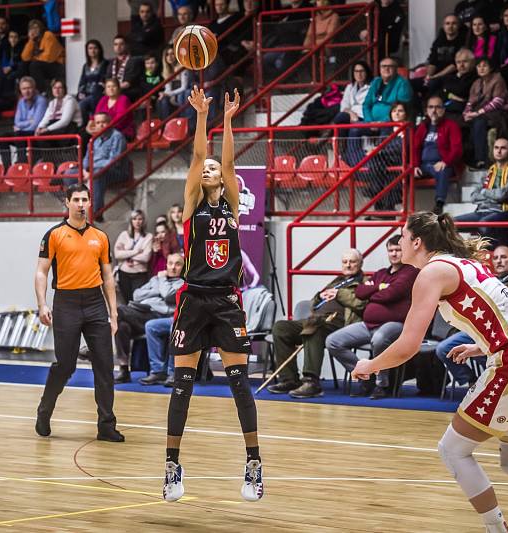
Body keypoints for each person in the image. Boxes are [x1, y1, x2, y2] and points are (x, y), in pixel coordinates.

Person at [352, 211, 508, 533]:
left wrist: (370, 364)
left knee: (452, 450)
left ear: (417, 241)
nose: (399, 241)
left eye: (403, 236)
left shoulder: (432, 273)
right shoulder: (467, 263)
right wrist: (483, 344)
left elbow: (408, 345)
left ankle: (497, 530)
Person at [162, 86, 264, 503]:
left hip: (226, 300)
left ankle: (254, 465)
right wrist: (201, 116)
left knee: (239, 384)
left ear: (222, 178)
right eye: (202, 168)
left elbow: (226, 159)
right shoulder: (191, 206)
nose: (207, 169)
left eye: (212, 169)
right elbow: (197, 156)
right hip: (193, 301)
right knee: (182, 384)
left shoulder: (233, 207)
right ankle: (171, 468)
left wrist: (228, 118)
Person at [34, 183, 124, 443]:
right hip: (66, 303)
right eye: (76, 199)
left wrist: (113, 314)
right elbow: (41, 271)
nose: (81, 204)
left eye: (85, 199)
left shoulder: (100, 236)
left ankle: (106, 425)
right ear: (67, 202)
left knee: (105, 366)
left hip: (95, 302)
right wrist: (42, 304)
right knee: (66, 365)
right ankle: (45, 410)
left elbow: (108, 277)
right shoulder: (54, 235)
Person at [325, 235, 418, 399]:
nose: (394, 254)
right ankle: (365, 375)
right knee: (333, 341)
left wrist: (373, 291)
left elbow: (392, 293)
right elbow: (360, 293)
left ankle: (381, 385)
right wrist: (381, 287)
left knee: (380, 339)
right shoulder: (381, 273)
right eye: (391, 250)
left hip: (395, 324)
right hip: (368, 324)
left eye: (398, 250)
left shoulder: (410, 272)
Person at [268, 249, 366, 398]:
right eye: (345, 262)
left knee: (314, 329)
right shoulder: (338, 281)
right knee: (281, 327)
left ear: (360, 263)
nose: (348, 265)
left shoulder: (364, 283)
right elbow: (313, 304)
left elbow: (360, 303)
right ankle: (289, 380)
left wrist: (338, 294)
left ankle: (311, 383)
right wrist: (320, 296)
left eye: (352, 262)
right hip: (316, 319)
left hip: (339, 325)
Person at [435, 244, 508, 387]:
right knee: (444, 348)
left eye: (503, 257)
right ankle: (472, 382)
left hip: (505, 330)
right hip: (480, 327)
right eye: (496, 258)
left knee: (494, 356)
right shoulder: (488, 278)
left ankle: (497, 381)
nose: (499, 261)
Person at [114, 253, 184, 384]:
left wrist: (162, 282)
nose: (173, 267)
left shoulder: (181, 283)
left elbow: (168, 295)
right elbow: (136, 295)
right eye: (170, 263)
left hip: (159, 316)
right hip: (140, 313)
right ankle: (124, 369)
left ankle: (95, 343)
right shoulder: (155, 280)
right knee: (121, 325)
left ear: (183, 267)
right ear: (166, 264)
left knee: (118, 311)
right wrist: (157, 290)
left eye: (177, 264)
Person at [455, 135, 508, 245]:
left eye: (503, 148)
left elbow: (503, 194)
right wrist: (493, 195)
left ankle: (494, 253)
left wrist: (484, 192)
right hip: (481, 211)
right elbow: (473, 196)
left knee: (485, 223)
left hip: (501, 211)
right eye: (496, 148)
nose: (499, 151)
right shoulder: (488, 172)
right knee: (449, 223)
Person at [413, 94, 463, 215]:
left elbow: (457, 149)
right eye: (431, 107)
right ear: (427, 110)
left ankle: (439, 204)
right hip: (424, 166)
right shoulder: (422, 127)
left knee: (443, 170)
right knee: (403, 171)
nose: (434, 110)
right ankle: (395, 204)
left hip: (442, 164)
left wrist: (445, 161)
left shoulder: (451, 125)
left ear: (443, 110)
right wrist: (414, 165)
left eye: (437, 107)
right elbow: (415, 148)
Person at [462, 57, 508, 169]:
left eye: (484, 66)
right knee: (463, 123)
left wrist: (477, 113)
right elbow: (470, 102)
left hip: (500, 112)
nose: (481, 68)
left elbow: (498, 101)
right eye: (479, 66)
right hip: (481, 114)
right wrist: (466, 113)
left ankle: (481, 160)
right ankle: (468, 160)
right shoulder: (476, 83)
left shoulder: (497, 79)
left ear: (490, 68)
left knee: (479, 122)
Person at [80, 112, 128, 219]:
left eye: (104, 122)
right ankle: (75, 210)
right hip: (94, 170)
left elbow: (113, 161)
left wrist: (92, 171)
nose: (100, 125)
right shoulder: (94, 138)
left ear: (110, 123)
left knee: (97, 174)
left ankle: (96, 212)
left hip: (116, 172)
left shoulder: (117, 137)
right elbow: (86, 159)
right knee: (70, 174)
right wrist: (84, 170)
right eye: (98, 123)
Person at [411, 14, 466, 99]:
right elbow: (433, 62)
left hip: (451, 75)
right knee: (411, 83)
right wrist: (428, 76)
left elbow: (454, 65)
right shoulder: (438, 41)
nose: (450, 26)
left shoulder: (462, 42)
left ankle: (429, 107)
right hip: (435, 75)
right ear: (443, 26)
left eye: (453, 23)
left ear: (458, 26)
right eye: (447, 23)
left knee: (433, 84)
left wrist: (436, 76)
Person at [0, 77, 47, 170]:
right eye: (24, 89)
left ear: (34, 88)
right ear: (20, 90)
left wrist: (21, 127)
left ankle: (21, 163)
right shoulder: (21, 101)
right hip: (22, 134)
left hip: (36, 134)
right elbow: (17, 122)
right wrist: (28, 121)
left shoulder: (41, 100)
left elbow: (35, 124)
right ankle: (7, 168)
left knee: (19, 134)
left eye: (29, 88)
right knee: (2, 137)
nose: (26, 91)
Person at [114, 209, 153, 304]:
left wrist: (126, 253)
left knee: (137, 300)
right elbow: (117, 254)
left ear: (144, 221)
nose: (137, 221)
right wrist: (136, 252)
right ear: (131, 221)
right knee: (127, 301)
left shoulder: (148, 236)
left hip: (139, 274)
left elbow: (146, 257)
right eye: (134, 219)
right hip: (124, 273)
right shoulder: (124, 235)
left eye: (140, 219)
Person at [22, 19, 66, 93]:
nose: (34, 31)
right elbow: (25, 57)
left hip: (59, 65)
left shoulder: (48, 35)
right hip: (45, 66)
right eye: (31, 29)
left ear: (41, 28)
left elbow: (48, 58)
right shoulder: (33, 41)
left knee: (34, 65)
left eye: (36, 28)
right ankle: (25, 89)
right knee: (24, 65)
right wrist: (31, 40)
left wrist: (35, 58)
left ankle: (42, 91)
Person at [440, 48, 477, 124]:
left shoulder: (475, 77)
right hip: (453, 105)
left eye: (465, 62)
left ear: (473, 63)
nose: (461, 65)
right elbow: (442, 91)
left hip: (465, 107)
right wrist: (452, 95)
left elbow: (461, 90)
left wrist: (448, 93)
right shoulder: (451, 77)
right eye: (458, 62)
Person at [330, 61, 372, 128]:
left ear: (367, 72)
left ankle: (326, 134)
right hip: (350, 116)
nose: (359, 74)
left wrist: (354, 116)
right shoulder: (350, 87)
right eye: (356, 71)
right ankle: (328, 135)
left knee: (341, 117)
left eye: (362, 71)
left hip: (363, 116)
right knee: (342, 124)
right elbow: (344, 105)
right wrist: (351, 113)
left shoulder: (372, 87)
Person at [77, 40, 110, 124]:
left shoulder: (105, 63)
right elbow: (82, 81)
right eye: (90, 48)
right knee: (79, 103)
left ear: (99, 50)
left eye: (95, 48)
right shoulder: (86, 66)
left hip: (98, 93)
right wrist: (81, 92)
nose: (93, 50)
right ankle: (85, 127)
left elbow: (104, 80)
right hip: (86, 93)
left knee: (83, 104)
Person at [158, 45, 192, 120]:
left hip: (184, 92)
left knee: (181, 95)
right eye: (167, 54)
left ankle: (185, 122)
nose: (169, 57)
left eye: (172, 54)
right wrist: (164, 94)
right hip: (175, 94)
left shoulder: (182, 67)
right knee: (161, 100)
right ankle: (165, 125)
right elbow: (168, 88)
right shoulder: (166, 70)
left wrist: (169, 94)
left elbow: (184, 87)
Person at [106, 35, 144, 103]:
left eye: (121, 44)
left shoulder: (133, 61)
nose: (118, 47)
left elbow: (128, 83)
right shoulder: (111, 62)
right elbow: (108, 79)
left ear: (126, 46)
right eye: (116, 44)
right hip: (114, 90)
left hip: (128, 91)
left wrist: (113, 89)